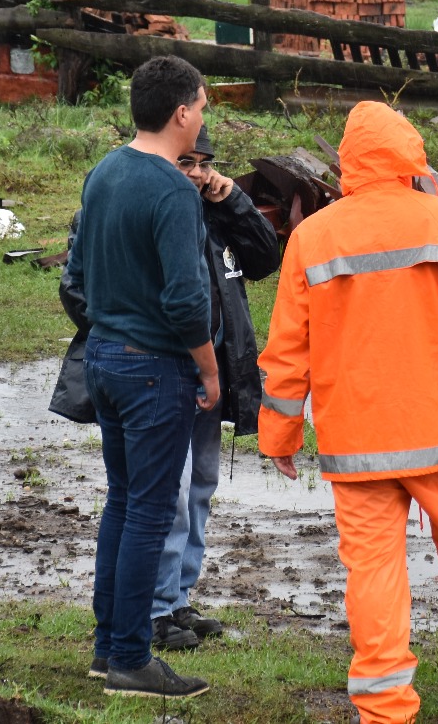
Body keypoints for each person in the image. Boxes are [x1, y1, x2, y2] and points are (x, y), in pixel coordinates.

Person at [257, 101, 438, 724]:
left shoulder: (313, 236)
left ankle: (386, 707)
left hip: (356, 443)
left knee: (372, 573)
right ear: (411, 157)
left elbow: (286, 350)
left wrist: (278, 435)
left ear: (350, 164)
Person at [61, 55, 217, 700]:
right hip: (155, 369)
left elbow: (80, 272)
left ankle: (108, 651)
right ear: (181, 112)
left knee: (124, 506)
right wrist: (208, 370)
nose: (204, 116)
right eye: (203, 107)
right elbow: (186, 299)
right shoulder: (172, 189)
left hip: (104, 357)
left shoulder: (106, 170)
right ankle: (130, 657)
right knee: (149, 514)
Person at [147, 123, 279, 650]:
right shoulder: (148, 204)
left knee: (201, 484)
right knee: (170, 494)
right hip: (166, 371)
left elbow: (266, 259)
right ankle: (156, 608)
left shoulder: (214, 210)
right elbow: (85, 289)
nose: (198, 174)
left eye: (205, 163)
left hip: (215, 372)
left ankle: (179, 598)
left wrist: (236, 202)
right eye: (187, 163)